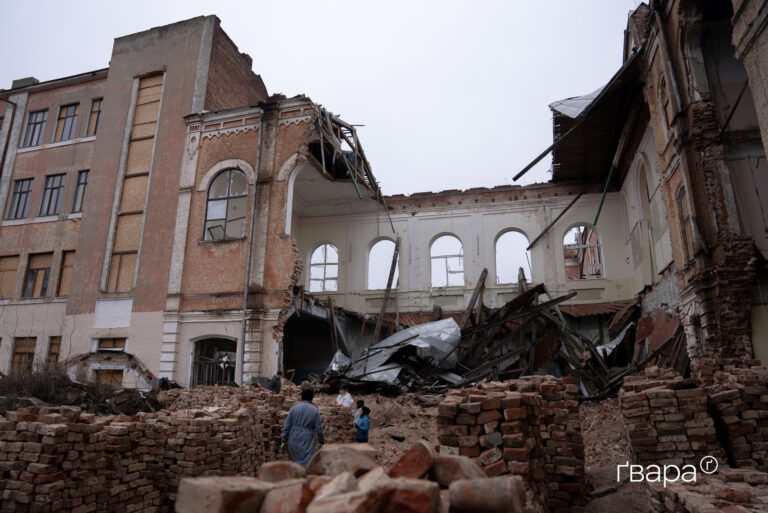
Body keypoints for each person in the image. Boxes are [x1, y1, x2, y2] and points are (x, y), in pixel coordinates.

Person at [282, 388, 325, 467]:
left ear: (301, 397)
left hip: (294, 437)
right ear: (312, 398)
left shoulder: (293, 409)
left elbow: (287, 426)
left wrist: (283, 440)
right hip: (307, 439)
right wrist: (322, 442)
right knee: (307, 463)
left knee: (295, 463)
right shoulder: (315, 410)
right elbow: (319, 429)